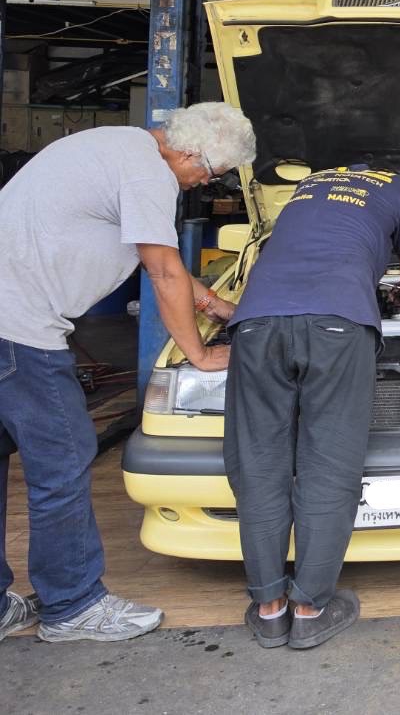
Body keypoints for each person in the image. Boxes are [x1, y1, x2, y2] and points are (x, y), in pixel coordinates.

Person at [0, 102, 256, 643]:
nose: (203, 185)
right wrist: (200, 353)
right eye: (211, 173)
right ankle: (72, 605)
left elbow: (157, 260)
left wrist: (213, 304)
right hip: (20, 329)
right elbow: (162, 270)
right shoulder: (147, 173)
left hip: (6, 322)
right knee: (63, 462)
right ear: (190, 153)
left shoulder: (117, 148)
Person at [225, 165, 400, 650]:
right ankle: (311, 609)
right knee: (329, 464)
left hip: (256, 323)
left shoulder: (308, 185)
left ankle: (269, 609)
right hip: (338, 322)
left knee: (258, 464)